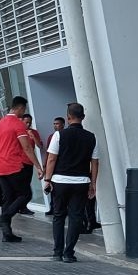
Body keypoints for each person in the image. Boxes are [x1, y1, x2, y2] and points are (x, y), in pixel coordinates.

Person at [44, 103, 98, 263]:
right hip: (81, 182)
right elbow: (94, 162)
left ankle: (57, 252)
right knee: (76, 217)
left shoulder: (59, 135)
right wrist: (92, 183)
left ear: (68, 117)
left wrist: (47, 179)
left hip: (59, 181)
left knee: (59, 216)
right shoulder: (91, 137)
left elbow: (52, 158)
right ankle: (69, 253)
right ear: (83, 117)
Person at [0, 96, 43, 242]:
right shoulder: (18, 124)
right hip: (13, 165)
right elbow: (27, 147)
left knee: (8, 199)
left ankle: (6, 234)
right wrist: (38, 166)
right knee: (25, 195)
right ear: (20, 108)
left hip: (1, 166)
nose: (24, 112)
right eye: (24, 109)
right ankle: (4, 218)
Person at [18, 113, 43, 215]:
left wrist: (34, 136)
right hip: (20, 162)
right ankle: (21, 206)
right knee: (21, 185)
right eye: (26, 122)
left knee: (26, 184)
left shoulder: (33, 132)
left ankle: (23, 206)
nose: (28, 124)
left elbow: (40, 146)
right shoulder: (19, 132)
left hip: (30, 162)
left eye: (29, 122)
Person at [44, 117, 66, 216]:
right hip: (53, 165)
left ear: (63, 124)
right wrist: (45, 165)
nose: (55, 126)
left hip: (62, 166)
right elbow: (49, 153)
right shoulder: (51, 137)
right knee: (52, 188)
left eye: (57, 124)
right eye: (54, 124)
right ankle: (52, 207)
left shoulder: (65, 136)